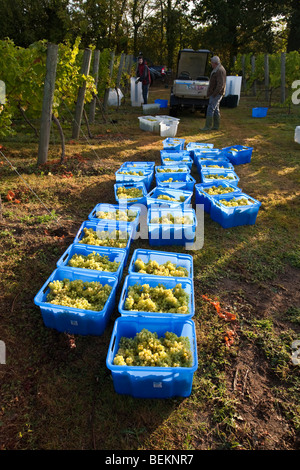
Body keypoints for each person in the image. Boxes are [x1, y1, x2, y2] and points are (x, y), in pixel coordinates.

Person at [201, 56, 226, 131]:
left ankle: (207, 126)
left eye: (211, 62)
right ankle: (215, 126)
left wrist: (214, 93)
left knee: (210, 108)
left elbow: (220, 84)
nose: (211, 64)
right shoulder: (217, 69)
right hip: (216, 93)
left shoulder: (219, 70)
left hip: (217, 93)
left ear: (214, 63)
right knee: (215, 109)